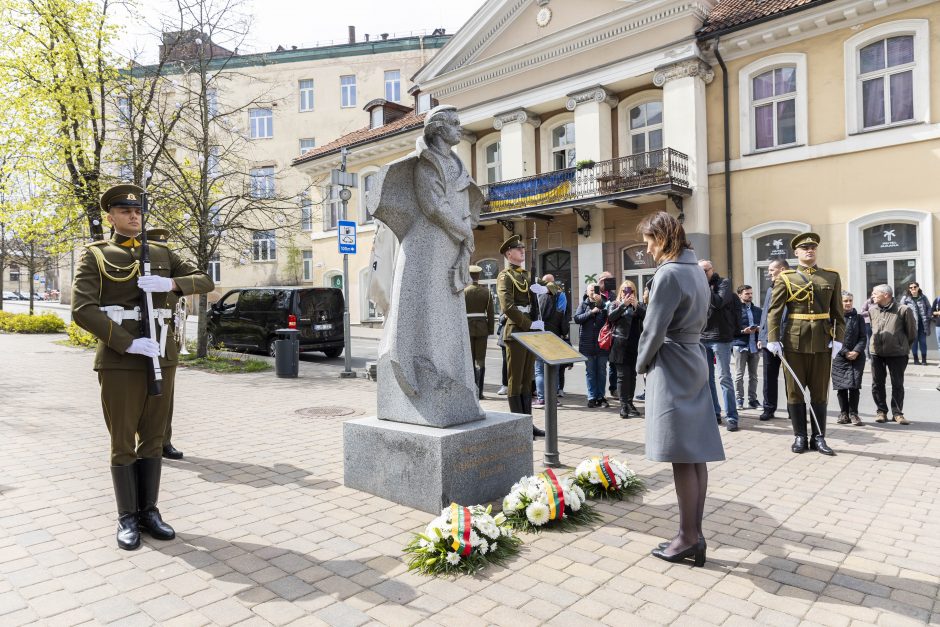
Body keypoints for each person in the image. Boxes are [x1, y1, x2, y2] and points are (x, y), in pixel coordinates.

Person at [71, 184, 215, 551]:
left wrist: (171, 282)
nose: (133, 216)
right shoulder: (97, 255)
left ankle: (149, 510)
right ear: (111, 217)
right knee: (123, 442)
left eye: (137, 211)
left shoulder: (163, 252)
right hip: (121, 361)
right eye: (124, 211)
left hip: (162, 357)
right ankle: (127, 517)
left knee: (153, 438)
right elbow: (82, 309)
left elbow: (205, 280)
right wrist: (127, 341)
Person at [370, 104, 485, 426]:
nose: (460, 128)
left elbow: (460, 205)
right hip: (427, 246)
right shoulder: (426, 165)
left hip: (450, 242)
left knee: (447, 314)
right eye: (455, 124)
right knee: (426, 310)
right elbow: (434, 207)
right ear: (437, 128)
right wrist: (464, 234)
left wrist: (465, 235)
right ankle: (419, 369)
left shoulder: (456, 163)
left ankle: (451, 380)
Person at [636, 211, 724, 567]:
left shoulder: (670, 273)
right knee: (694, 453)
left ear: (662, 238)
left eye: (648, 241)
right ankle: (693, 534)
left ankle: (688, 537)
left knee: (681, 456)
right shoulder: (695, 270)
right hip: (693, 357)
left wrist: (641, 364)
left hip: (672, 362)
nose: (647, 250)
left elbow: (653, 329)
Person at [766, 232, 845, 456]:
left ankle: (819, 437)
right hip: (793, 342)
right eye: (805, 248)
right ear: (796, 253)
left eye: (813, 247)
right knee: (795, 392)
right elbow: (774, 312)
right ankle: (800, 436)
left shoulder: (831, 277)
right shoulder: (786, 277)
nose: (809, 250)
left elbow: (838, 312)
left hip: (822, 341)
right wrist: (773, 340)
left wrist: (838, 338)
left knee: (820, 393)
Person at [496, 234, 545, 438]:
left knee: (528, 380)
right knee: (515, 380)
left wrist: (545, 289)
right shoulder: (504, 276)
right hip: (516, 331)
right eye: (518, 249)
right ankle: (518, 426)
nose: (522, 251)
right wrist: (529, 323)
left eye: (523, 248)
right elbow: (507, 306)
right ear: (509, 253)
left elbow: (553, 286)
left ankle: (528, 424)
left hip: (530, 333)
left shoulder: (527, 275)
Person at [699, 260, 739, 430]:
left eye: (705, 271)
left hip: (720, 337)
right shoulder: (697, 285)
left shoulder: (723, 283)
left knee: (724, 377)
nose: (702, 274)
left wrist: (704, 286)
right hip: (701, 336)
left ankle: (732, 417)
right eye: (699, 272)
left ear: (712, 270)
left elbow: (718, 302)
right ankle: (714, 413)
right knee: (707, 380)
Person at [869, 284, 916, 424]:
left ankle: (897, 413)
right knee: (877, 384)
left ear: (886, 295)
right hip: (876, 353)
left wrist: (903, 346)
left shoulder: (903, 310)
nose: (872, 295)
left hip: (897, 354)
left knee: (897, 384)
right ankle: (881, 412)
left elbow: (911, 333)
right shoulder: (872, 310)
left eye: (875, 293)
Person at [607, 279, 645, 418]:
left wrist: (636, 306)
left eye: (631, 290)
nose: (628, 293)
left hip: (635, 345)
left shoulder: (638, 305)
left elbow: (648, 317)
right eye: (625, 290)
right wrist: (624, 305)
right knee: (622, 377)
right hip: (620, 345)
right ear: (620, 292)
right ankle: (623, 405)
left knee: (632, 376)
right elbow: (611, 317)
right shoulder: (615, 304)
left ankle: (630, 402)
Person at [757, 259, 789, 420]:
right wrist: (762, 337)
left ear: (782, 269)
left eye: (771, 270)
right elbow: (766, 314)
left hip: (788, 339)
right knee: (769, 377)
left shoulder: (793, 285)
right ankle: (768, 408)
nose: (769, 273)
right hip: (769, 340)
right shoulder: (771, 288)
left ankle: (793, 409)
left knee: (790, 377)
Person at [533, 273, 569, 408]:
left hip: (539, 333)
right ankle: (553, 398)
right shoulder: (561, 295)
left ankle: (542, 399)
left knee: (539, 369)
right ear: (554, 282)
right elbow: (562, 314)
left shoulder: (537, 295)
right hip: (554, 334)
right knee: (554, 366)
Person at [832, 291, 865, 426]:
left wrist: (856, 351)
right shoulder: (834, 318)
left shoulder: (858, 318)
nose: (848, 303)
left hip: (857, 357)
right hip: (840, 357)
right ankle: (843, 413)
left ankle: (854, 414)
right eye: (845, 301)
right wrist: (845, 352)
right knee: (842, 387)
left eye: (850, 300)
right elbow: (833, 337)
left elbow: (863, 337)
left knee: (854, 386)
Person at [574, 281, 610, 407]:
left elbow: (609, 319)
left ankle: (601, 396)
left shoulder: (604, 304)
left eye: (595, 290)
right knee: (590, 372)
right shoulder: (583, 305)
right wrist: (591, 312)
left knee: (601, 371)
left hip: (602, 345)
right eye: (591, 290)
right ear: (587, 292)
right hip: (587, 345)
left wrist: (600, 304)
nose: (593, 293)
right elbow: (577, 319)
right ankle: (591, 397)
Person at [464, 265, 494, 400]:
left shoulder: (464, 292)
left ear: (468, 275)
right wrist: (490, 330)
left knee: (469, 360)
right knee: (480, 360)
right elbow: (491, 313)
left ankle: (471, 391)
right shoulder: (486, 292)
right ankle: (480, 392)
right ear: (479, 276)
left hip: (467, 329)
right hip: (482, 328)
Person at [732, 284, 762, 411]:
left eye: (751, 293)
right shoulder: (734, 310)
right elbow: (730, 329)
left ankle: (753, 400)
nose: (749, 295)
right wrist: (743, 331)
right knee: (739, 375)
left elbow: (763, 327)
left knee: (753, 375)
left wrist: (760, 330)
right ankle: (739, 400)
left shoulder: (758, 311)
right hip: (740, 345)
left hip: (754, 346)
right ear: (740, 295)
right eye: (747, 293)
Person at [900, 282, 932, 365]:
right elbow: (901, 310)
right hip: (911, 324)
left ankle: (924, 360)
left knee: (923, 341)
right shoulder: (906, 298)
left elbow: (929, 307)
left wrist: (928, 317)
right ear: (909, 289)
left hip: (923, 323)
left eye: (915, 287)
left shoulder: (923, 297)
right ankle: (916, 359)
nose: (913, 289)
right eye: (911, 287)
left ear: (918, 288)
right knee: (914, 342)